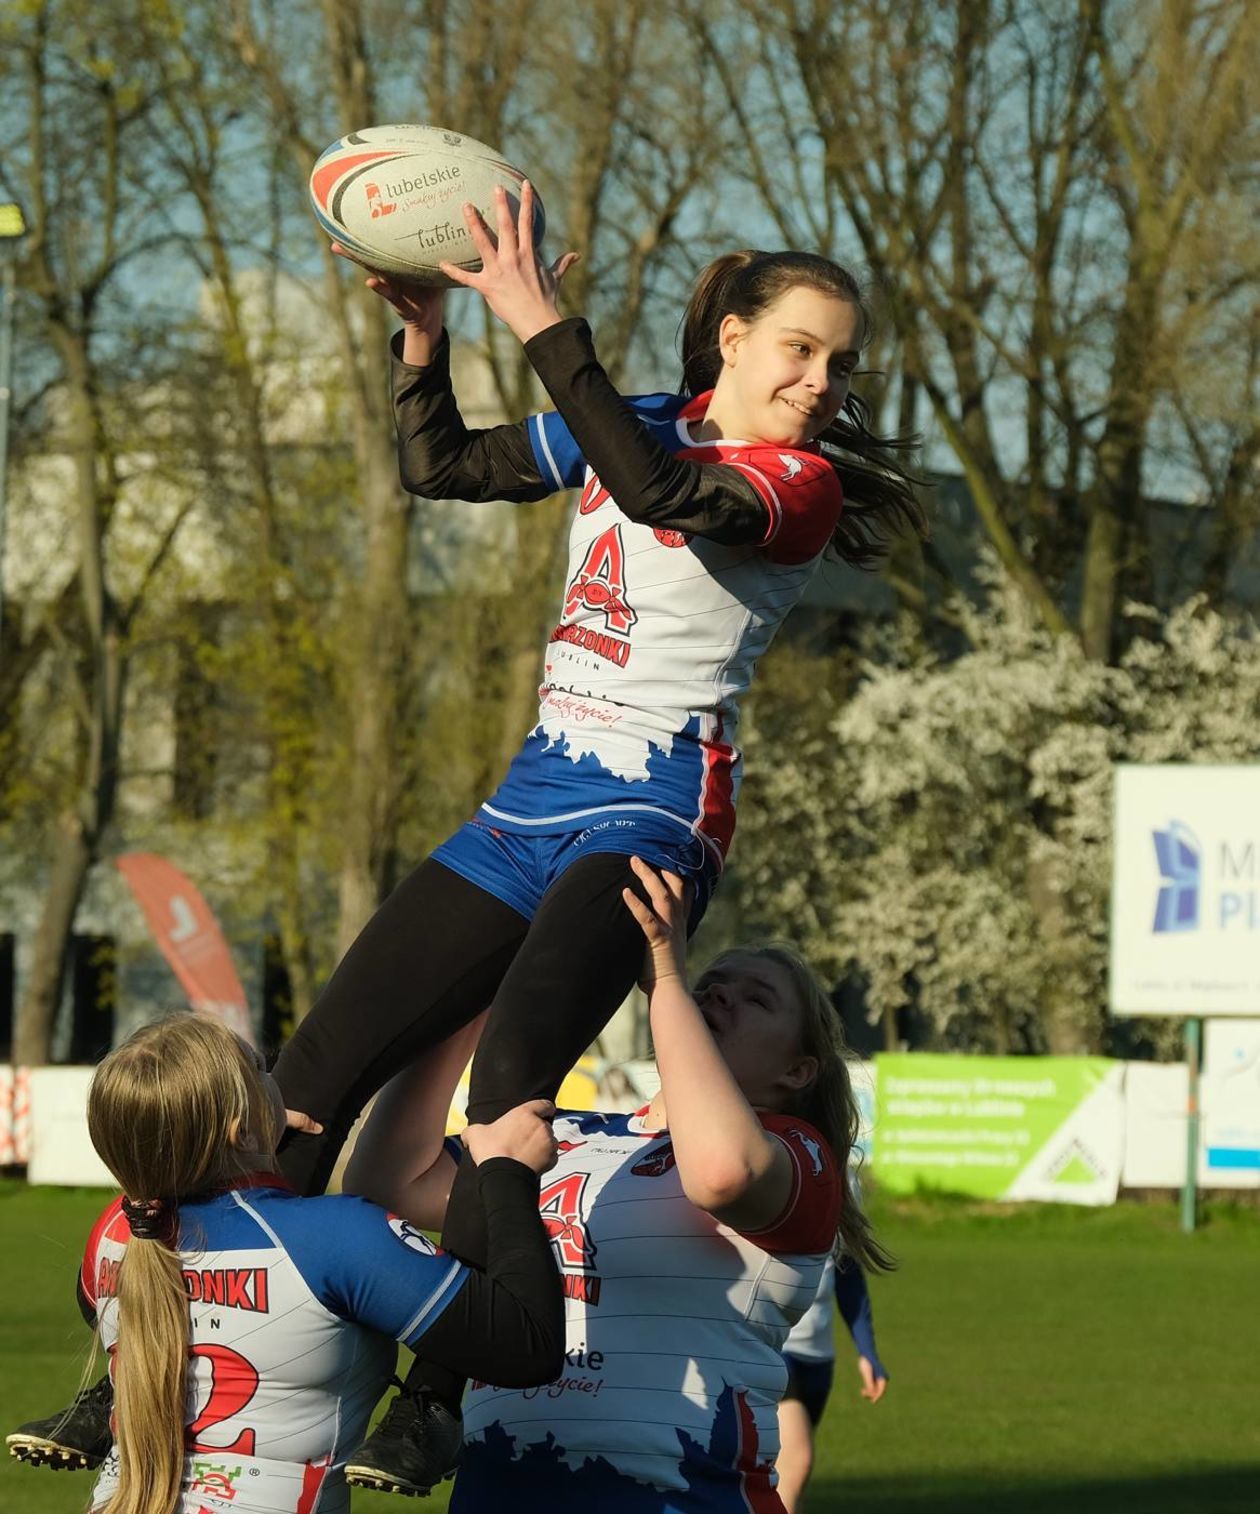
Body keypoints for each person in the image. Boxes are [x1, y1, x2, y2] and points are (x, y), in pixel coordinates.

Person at [272, 185, 924, 1494]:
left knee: (512, 1079)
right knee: (310, 1072)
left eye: (841, 363)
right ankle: (208, 1352)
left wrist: (538, 316)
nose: (822, 381)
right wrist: (425, 335)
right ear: (734, 338)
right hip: (525, 807)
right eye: (800, 347)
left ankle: (441, 1387)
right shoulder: (625, 421)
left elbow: (659, 491)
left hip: (652, 816)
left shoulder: (789, 484)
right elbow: (439, 466)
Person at [363, 857, 892, 1511]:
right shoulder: (568, 1133)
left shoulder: (795, 1154)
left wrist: (669, 976)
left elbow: (720, 1173)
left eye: (757, 999)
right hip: (499, 1491)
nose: (721, 994)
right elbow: (391, 1180)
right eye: (712, 985)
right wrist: (474, 1000)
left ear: (799, 1069)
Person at [6, 1013, 563, 1513]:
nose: (277, 1077)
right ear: (239, 1126)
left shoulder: (115, 1230)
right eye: (262, 1070)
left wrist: (251, 1145)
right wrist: (508, 1173)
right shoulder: (334, 1237)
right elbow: (526, 1347)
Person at [775, 1254, 890, 1513]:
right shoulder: (757, 1211)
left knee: (785, 1481)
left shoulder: (841, 1212)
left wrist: (867, 1352)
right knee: (797, 1462)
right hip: (773, 1350)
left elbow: (848, 1276)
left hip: (818, 1360)